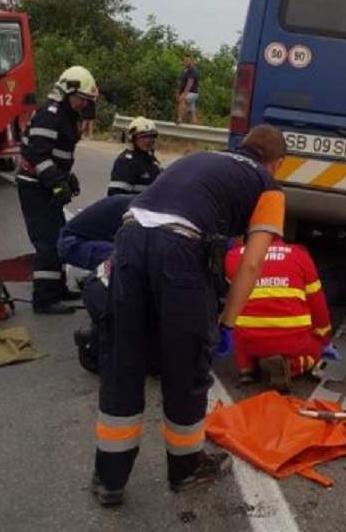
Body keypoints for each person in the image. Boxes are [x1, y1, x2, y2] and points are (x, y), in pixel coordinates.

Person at [93, 124, 287, 506]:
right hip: (178, 250)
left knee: (124, 360)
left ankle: (108, 479)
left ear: (241, 147)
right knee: (184, 364)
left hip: (129, 241)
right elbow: (251, 264)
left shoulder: (200, 158)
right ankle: (185, 469)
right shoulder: (268, 185)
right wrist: (227, 322)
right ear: (277, 163)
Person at [16, 66, 99, 314]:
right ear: (68, 92)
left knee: (58, 236)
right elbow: (38, 154)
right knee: (48, 241)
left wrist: (66, 177)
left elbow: (56, 154)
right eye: (82, 99)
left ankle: (57, 287)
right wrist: (56, 183)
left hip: (44, 184)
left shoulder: (64, 114)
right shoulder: (50, 114)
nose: (83, 105)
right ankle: (44, 299)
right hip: (35, 186)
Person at [224, 235, 334, 392]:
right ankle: (291, 366)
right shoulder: (299, 254)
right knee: (315, 349)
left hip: (248, 338)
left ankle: (246, 369)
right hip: (292, 340)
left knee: (243, 322)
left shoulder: (233, 256)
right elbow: (317, 304)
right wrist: (323, 337)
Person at [57, 194, 135, 373]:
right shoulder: (137, 210)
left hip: (93, 240)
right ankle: (92, 339)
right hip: (74, 243)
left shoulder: (145, 203)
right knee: (125, 260)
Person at [108, 117, 161, 196]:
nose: (148, 140)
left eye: (151, 136)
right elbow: (116, 196)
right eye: (143, 137)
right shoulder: (126, 162)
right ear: (132, 138)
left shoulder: (152, 161)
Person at [175, 54, 200, 125]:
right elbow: (180, 83)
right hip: (187, 92)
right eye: (184, 60)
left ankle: (179, 119)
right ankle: (196, 127)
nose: (185, 62)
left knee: (182, 99)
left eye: (187, 60)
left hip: (192, 93)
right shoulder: (183, 71)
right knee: (192, 112)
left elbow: (190, 83)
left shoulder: (192, 70)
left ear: (191, 61)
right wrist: (177, 92)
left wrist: (184, 94)